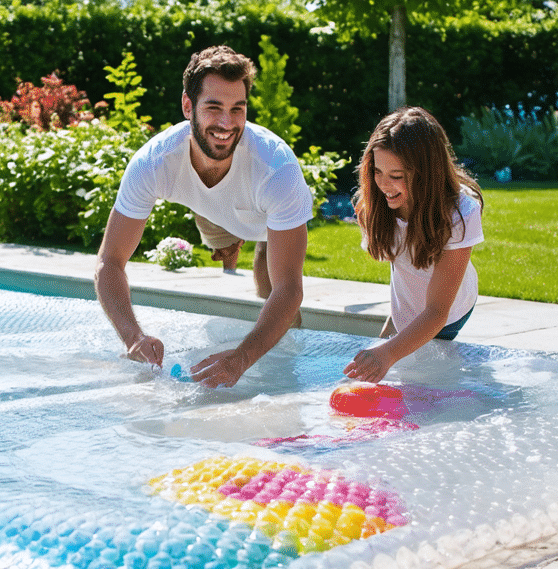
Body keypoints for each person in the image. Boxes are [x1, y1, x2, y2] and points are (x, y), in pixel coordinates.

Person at [95, 45, 313, 389]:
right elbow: (110, 261)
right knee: (222, 241)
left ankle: (284, 356)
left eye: (237, 109)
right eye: (213, 108)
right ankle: (226, 244)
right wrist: (133, 338)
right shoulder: (154, 161)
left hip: (260, 216)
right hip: (215, 211)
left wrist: (240, 359)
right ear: (187, 106)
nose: (226, 123)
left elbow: (290, 291)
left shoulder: (276, 169)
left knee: (271, 282)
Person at [343, 106, 485, 384]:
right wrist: (390, 335)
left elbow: (436, 312)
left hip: (448, 315)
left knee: (426, 388)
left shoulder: (460, 213)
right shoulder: (374, 204)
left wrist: (388, 351)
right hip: (410, 308)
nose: (384, 184)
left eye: (396, 175)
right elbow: (404, 265)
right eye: (377, 171)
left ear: (427, 174)